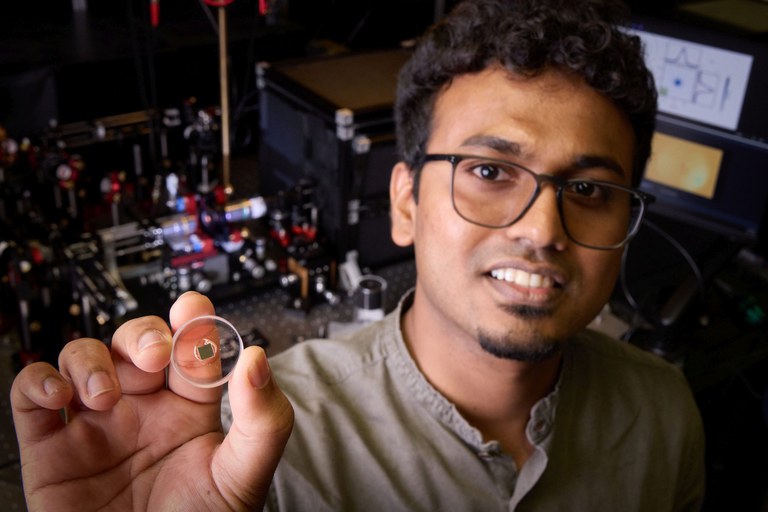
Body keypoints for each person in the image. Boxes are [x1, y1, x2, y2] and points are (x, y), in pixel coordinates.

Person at [11, 0, 705, 510]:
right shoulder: (246, 447)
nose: (543, 229)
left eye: (588, 188)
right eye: (491, 172)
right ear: (404, 204)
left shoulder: (666, 415)